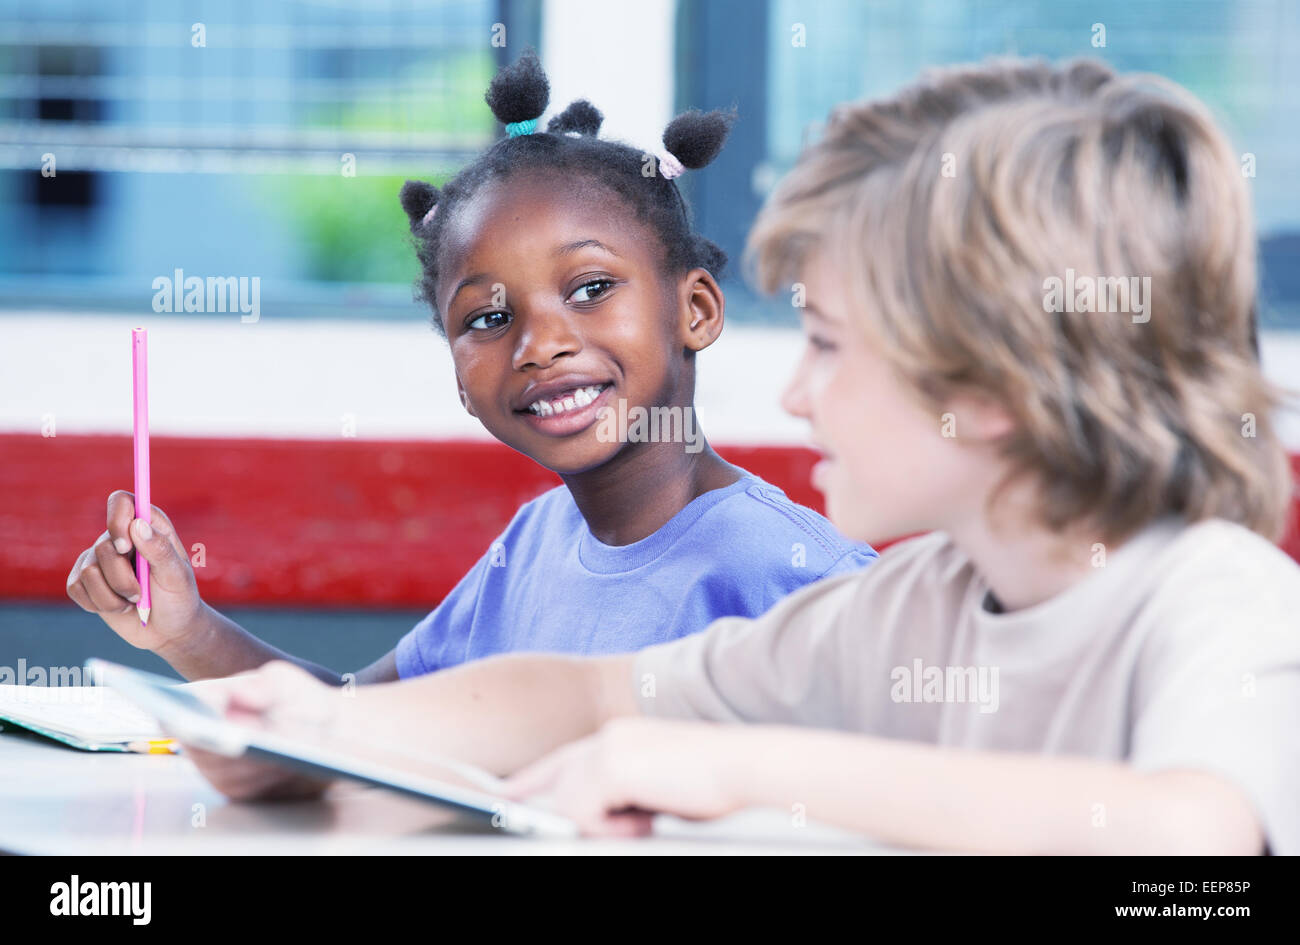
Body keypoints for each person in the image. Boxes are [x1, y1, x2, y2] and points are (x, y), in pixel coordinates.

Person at [179, 57, 1300, 854]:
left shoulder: (1218, 602)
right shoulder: (919, 606)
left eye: (826, 344)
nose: (799, 394)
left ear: (990, 386)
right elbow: (595, 696)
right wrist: (322, 730)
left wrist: (740, 766)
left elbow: (1191, 842)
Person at [63, 50, 875, 687]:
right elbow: (355, 723)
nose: (539, 343)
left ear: (694, 310)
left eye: (591, 288)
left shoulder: (802, 580)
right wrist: (185, 629)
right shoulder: (531, 548)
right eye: (488, 317)